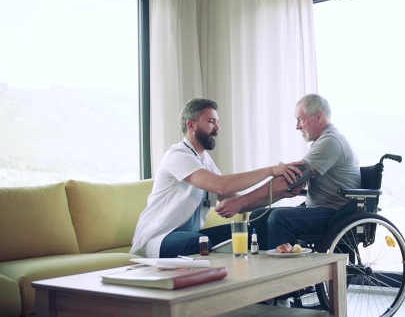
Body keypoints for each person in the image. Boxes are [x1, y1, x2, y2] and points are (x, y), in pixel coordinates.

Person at [130, 98, 301, 258]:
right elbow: (222, 186)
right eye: (211, 122)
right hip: (157, 239)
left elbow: (239, 203)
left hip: (191, 236)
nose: (217, 128)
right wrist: (271, 170)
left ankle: (272, 287)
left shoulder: (205, 160)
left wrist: (281, 193)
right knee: (198, 242)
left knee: (255, 230)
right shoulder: (178, 155)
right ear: (191, 125)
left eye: (217, 122)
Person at [215, 94, 361, 250]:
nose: (297, 126)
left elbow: (288, 180)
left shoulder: (330, 141)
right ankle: (263, 268)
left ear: (318, 116)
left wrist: (239, 203)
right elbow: (293, 179)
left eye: (300, 119)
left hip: (337, 213)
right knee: (258, 216)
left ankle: (281, 272)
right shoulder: (322, 141)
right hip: (319, 208)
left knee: (280, 219)